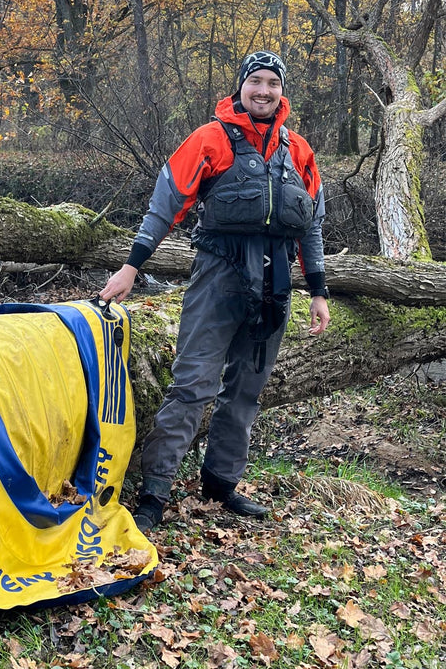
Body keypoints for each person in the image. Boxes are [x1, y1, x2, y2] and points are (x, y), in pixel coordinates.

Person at [100, 50, 330, 529]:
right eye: (256, 82)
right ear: (240, 87)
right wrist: (130, 268)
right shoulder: (210, 139)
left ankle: (221, 484)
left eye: (272, 83)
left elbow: (311, 226)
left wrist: (319, 290)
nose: (263, 91)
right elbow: (166, 205)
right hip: (219, 278)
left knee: (246, 391)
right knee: (192, 386)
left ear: (281, 91)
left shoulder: (299, 151)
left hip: (276, 285)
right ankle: (154, 494)